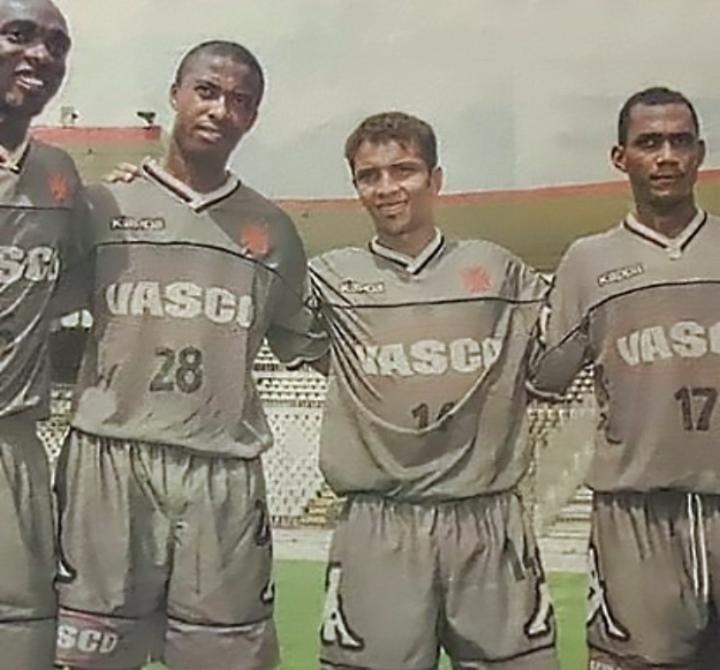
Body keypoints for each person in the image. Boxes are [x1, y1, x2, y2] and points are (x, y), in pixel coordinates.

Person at [54, 40, 328, 670]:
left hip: (220, 471)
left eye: (240, 100)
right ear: (175, 95)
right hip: (109, 461)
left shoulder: (272, 231)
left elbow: (312, 344)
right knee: (86, 658)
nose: (220, 110)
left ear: (252, 117)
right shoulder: (104, 206)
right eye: (206, 91)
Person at [310, 111, 559, 670]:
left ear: (436, 178)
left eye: (404, 170)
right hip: (379, 525)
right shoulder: (328, 279)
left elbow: (559, 357)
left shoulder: (498, 271)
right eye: (369, 176)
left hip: (487, 522)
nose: (386, 187)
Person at [529, 87, 720, 669]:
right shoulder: (588, 262)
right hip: (636, 518)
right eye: (649, 143)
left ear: (700, 152)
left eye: (680, 142)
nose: (666, 156)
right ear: (621, 157)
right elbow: (546, 374)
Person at [0, 0, 87, 667]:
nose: (40, 54)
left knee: (23, 641)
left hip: (13, 444)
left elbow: (77, 283)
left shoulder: (59, 176)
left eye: (56, 44)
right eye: (19, 35)